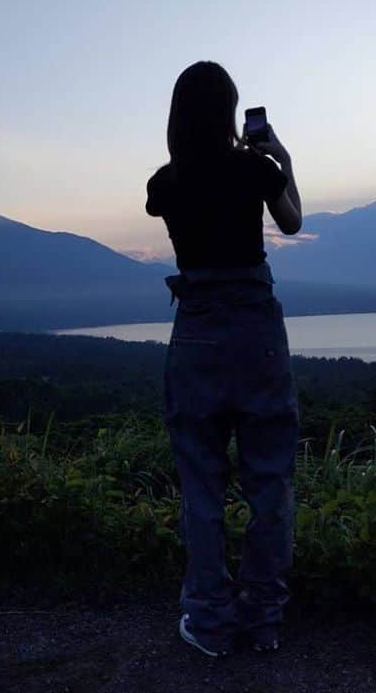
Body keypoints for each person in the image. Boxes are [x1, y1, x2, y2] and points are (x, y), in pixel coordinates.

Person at [145, 61, 303, 658]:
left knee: (201, 483)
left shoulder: (166, 182)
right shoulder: (256, 169)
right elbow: (292, 221)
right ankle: (262, 619)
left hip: (197, 332)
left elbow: (168, 203)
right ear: (231, 113)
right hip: (256, 329)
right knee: (270, 481)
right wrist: (278, 156)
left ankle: (207, 620)